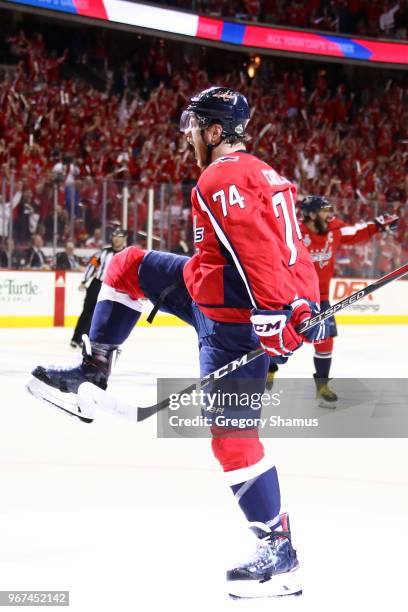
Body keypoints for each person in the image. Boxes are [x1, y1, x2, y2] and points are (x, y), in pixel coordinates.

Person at [28, 87, 327, 599]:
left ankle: (279, 554)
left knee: (233, 441)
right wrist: (304, 305)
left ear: (216, 132)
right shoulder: (267, 174)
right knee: (125, 265)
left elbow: (257, 250)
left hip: (234, 325)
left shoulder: (222, 176)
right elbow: (292, 251)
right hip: (203, 290)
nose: (186, 134)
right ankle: (93, 370)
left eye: (194, 125)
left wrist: (277, 312)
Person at [296, 195, 398, 405]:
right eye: (325, 210)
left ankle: (322, 386)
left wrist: (377, 226)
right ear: (312, 214)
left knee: (325, 341)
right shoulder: (293, 232)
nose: (330, 214)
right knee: (278, 339)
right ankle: (267, 370)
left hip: (321, 298)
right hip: (293, 296)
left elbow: (355, 232)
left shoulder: (334, 229)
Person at [69, 228, 128, 349]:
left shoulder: (126, 255)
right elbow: (93, 265)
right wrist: (84, 281)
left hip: (110, 288)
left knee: (96, 314)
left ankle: (84, 339)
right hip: (96, 284)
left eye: (119, 236)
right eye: (114, 236)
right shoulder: (103, 252)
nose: (116, 239)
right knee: (86, 311)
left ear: (124, 239)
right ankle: (75, 338)